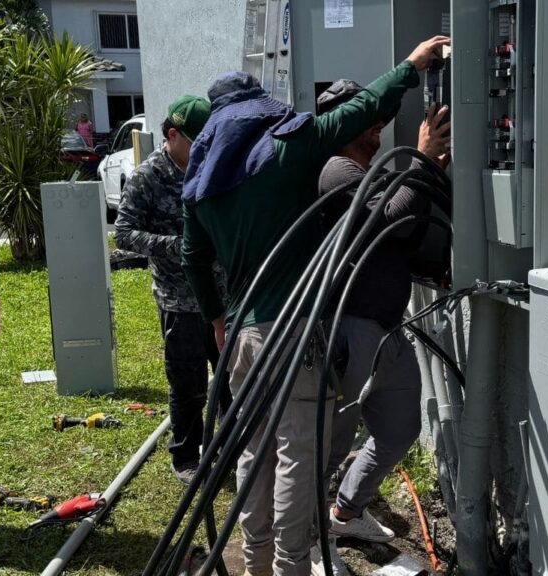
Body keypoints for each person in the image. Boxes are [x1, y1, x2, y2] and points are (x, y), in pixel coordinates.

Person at [182, 36, 450, 576]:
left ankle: (258, 563)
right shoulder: (284, 155)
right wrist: (411, 66)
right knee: (297, 457)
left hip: (242, 336)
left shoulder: (203, 190)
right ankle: (291, 567)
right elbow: (358, 110)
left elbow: (193, 260)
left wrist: (217, 322)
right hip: (293, 332)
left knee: (255, 454)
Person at [314, 81, 449, 558]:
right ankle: (309, 543)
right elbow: (392, 222)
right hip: (353, 329)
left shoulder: (366, 171)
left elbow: (406, 234)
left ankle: (345, 513)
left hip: (388, 329)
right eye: (366, 121)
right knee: (329, 446)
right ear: (342, 122)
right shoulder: (337, 171)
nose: (376, 129)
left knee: (399, 428)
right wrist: (425, 161)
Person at [114, 95, 228, 485]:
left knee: (230, 376)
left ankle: (231, 447)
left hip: (223, 297)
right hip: (179, 300)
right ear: (173, 134)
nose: (206, 148)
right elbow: (124, 234)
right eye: (199, 140)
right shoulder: (148, 176)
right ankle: (186, 457)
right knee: (187, 383)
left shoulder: (213, 168)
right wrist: (176, 245)